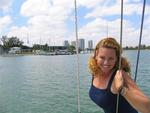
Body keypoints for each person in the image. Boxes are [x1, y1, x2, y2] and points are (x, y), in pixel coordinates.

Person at [88, 37, 150, 113]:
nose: (106, 63)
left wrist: (121, 89)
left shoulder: (119, 75)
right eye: (102, 57)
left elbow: (147, 107)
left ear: (116, 59)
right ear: (96, 56)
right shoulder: (96, 72)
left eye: (111, 58)